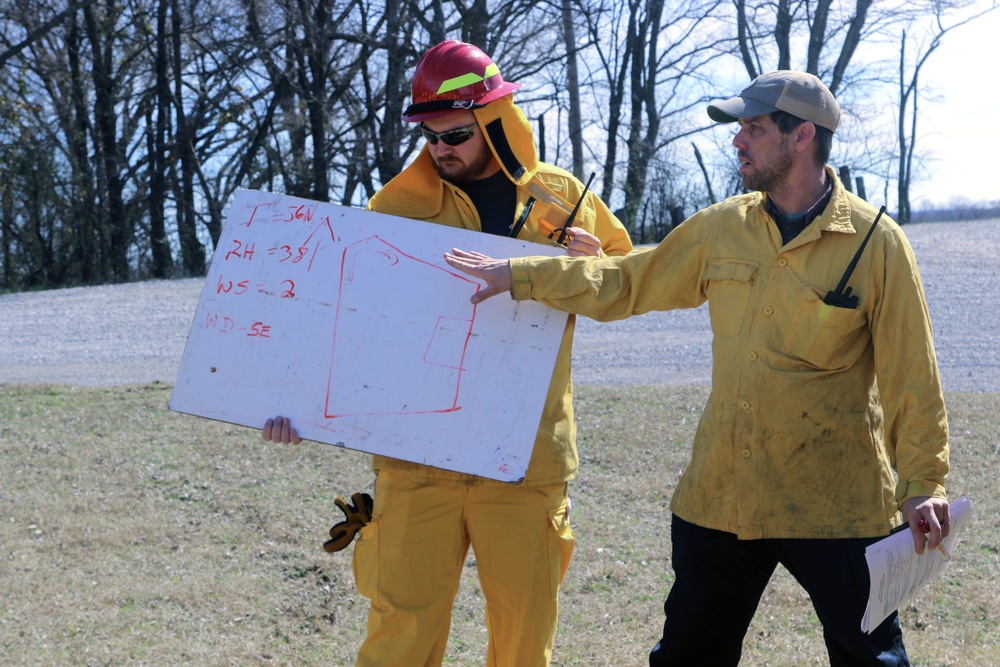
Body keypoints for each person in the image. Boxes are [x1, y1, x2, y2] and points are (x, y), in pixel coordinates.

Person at [443, 70, 950, 666]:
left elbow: (911, 375)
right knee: (689, 657)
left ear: (802, 136)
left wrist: (923, 485)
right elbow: (629, 279)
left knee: (872, 661)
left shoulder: (877, 244)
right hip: (722, 499)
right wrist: (524, 275)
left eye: (754, 129)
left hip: (835, 502)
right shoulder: (722, 227)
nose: (738, 142)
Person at [263, 40, 632, 666]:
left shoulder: (562, 197)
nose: (441, 150)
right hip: (415, 461)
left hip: (524, 460)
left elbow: (625, 288)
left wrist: (592, 267)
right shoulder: (393, 207)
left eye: (457, 134)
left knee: (523, 640)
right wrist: (296, 404)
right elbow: (343, 319)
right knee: (398, 635)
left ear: (496, 120)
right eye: (430, 136)